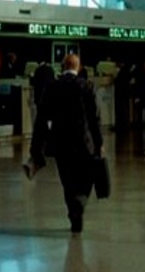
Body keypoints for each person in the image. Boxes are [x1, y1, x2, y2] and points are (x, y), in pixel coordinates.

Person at [26, 53, 105, 233]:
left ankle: (73, 213)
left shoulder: (52, 87)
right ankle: (81, 200)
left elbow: (41, 119)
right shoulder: (87, 86)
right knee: (86, 179)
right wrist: (99, 143)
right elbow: (95, 120)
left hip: (61, 143)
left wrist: (36, 147)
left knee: (67, 181)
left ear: (62, 67)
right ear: (79, 67)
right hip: (85, 143)